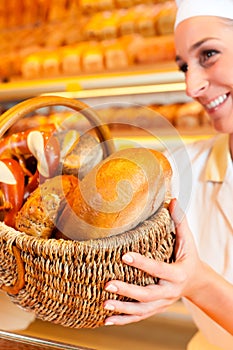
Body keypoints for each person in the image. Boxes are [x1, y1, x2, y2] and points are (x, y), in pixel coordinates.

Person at [103, 0, 233, 349]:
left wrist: (199, 283)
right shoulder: (182, 168)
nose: (191, 87)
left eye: (208, 55)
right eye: (183, 67)